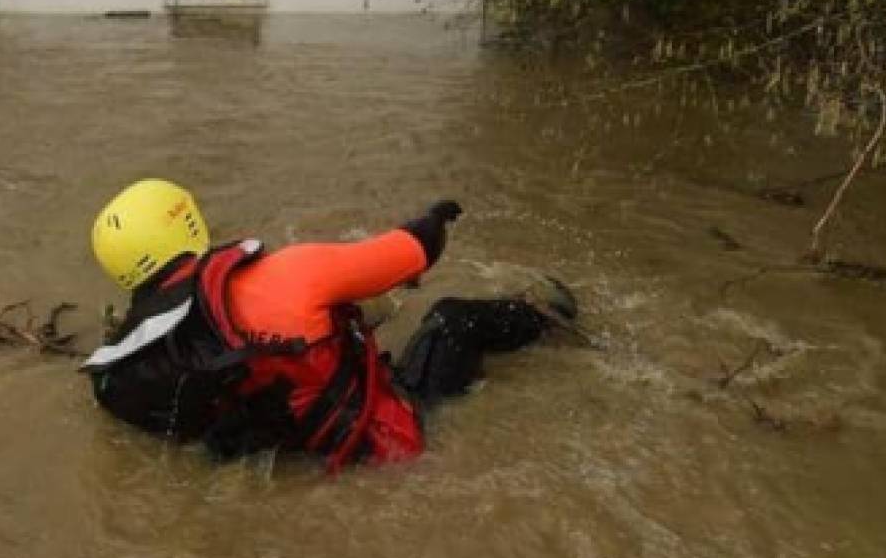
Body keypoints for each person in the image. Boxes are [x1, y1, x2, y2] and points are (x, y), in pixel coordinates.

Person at [83, 179, 577, 470]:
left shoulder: (133, 357)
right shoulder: (287, 272)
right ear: (187, 222)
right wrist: (435, 217)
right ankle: (555, 316)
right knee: (451, 319)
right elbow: (417, 249)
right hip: (388, 444)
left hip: (301, 448)